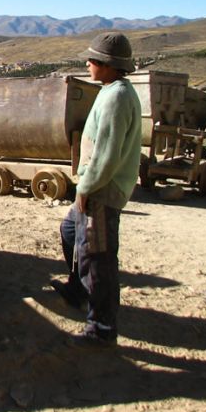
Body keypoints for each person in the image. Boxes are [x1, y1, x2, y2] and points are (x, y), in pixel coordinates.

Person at [50, 32, 142, 348]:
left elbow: (107, 153)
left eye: (94, 59)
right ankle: (77, 289)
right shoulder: (110, 90)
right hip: (93, 185)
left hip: (102, 189)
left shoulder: (117, 97)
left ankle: (102, 328)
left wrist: (86, 188)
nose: (88, 63)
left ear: (109, 65)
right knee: (70, 233)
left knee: (99, 259)